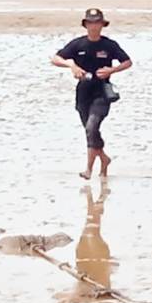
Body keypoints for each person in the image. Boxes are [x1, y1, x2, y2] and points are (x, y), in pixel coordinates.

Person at [52, 9, 132, 180]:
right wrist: (71, 66)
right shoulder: (78, 44)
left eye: (97, 23)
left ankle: (88, 169)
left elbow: (127, 62)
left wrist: (112, 70)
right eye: (91, 23)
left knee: (91, 127)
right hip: (83, 92)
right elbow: (55, 59)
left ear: (102, 25)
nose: (94, 26)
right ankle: (104, 159)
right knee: (90, 132)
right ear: (86, 25)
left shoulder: (109, 45)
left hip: (102, 92)